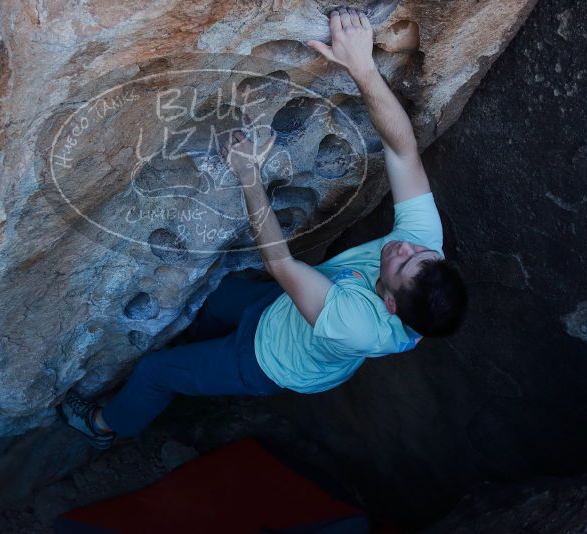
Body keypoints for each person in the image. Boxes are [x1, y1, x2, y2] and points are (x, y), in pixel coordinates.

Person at [61, 8, 467, 449]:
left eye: (402, 263)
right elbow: (402, 151)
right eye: (419, 253)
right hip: (282, 306)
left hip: (270, 357)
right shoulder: (422, 247)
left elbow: (280, 262)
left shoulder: (360, 325)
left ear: (389, 302)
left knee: (156, 374)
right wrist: (363, 68)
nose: (402, 247)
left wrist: (249, 175)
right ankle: (196, 349)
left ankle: (106, 425)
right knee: (216, 300)